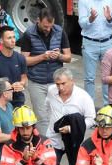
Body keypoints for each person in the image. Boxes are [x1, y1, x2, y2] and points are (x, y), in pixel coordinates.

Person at [20, 9, 73, 139]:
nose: (48, 29)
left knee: (56, 114)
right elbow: (24, 60)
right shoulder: (29, 34)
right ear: (38, 20)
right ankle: (44, 146)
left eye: (50, 26)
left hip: (56, 83)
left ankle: (57, 144)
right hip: (36, 82)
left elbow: (68, 57)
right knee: (41, 116)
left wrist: (59, 56)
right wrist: (43, 57)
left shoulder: (59, 31)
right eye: (45, 26)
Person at [0, 26, 27, 109]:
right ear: (1, 40)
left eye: (14, 37)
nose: (13, 40)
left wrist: (20, 84)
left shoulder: (20, 58)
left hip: (17, 101)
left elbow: (24, 79)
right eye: (9, 38)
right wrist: (7, 88)